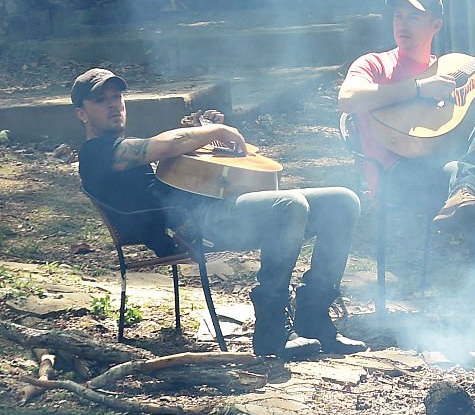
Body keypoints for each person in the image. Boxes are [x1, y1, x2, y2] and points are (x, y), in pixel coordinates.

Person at [73, 67, 366, 358]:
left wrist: (205, 134)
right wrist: (213, 131)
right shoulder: (95, 154)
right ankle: (272, 328)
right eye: (100, 100)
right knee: (289, 205)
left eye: (117, 96)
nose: (113, 104)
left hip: (212, 212)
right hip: (193, 230)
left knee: (343, 201)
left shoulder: (125, 147)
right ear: (81, 114)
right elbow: (167, 144)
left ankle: (314, 315)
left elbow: (183, 164)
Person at [337, 0, 475, 232]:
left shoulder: (447, 71)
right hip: (395, 176)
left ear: (436, 25)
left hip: (444, 162)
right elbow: (347, 98)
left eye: (414, 17)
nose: (403, 24)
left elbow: (474, 122)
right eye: (398, 16)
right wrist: (420, 88)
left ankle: (466, 191)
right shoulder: (374, 64)